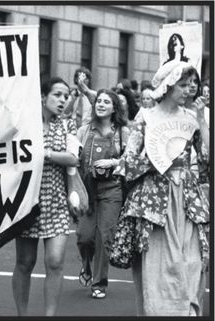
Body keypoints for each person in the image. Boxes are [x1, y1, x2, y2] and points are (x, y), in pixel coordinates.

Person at [113, 60, 209, 315]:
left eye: (192, 85)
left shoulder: (192, 119)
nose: (190, 89)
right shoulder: (146, 117)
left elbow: (207, 160)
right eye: (183, 84)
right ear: (168, 85)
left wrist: (202, 119)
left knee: (191, 264)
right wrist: (157, 161)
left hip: (187, 200)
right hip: (154, 203)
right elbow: (127, 162)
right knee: (160, 269)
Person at [12, 77, 80, 316]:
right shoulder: (25, 123)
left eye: (66, 95)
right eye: (57, 94)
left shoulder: (68, 125)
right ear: (43, 96)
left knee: (55, 261)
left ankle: (49, 315)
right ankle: (22, 314)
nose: (63, 100)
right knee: (25, 262)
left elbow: (73, 158)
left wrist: (44, 153)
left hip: (57, 200)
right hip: (27, 201)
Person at [75, 89, 129, 299]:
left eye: (106, 101)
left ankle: (99, 283)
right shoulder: (84, 130)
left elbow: (132, 159)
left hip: (112, 189)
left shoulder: (123, 132)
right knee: (84, 237)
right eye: (99, 101)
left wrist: (113, 162)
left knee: (104, 237)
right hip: (87, 189)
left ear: (114, 107)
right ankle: (86, 265)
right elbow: (74, 157)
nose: (101, 104)